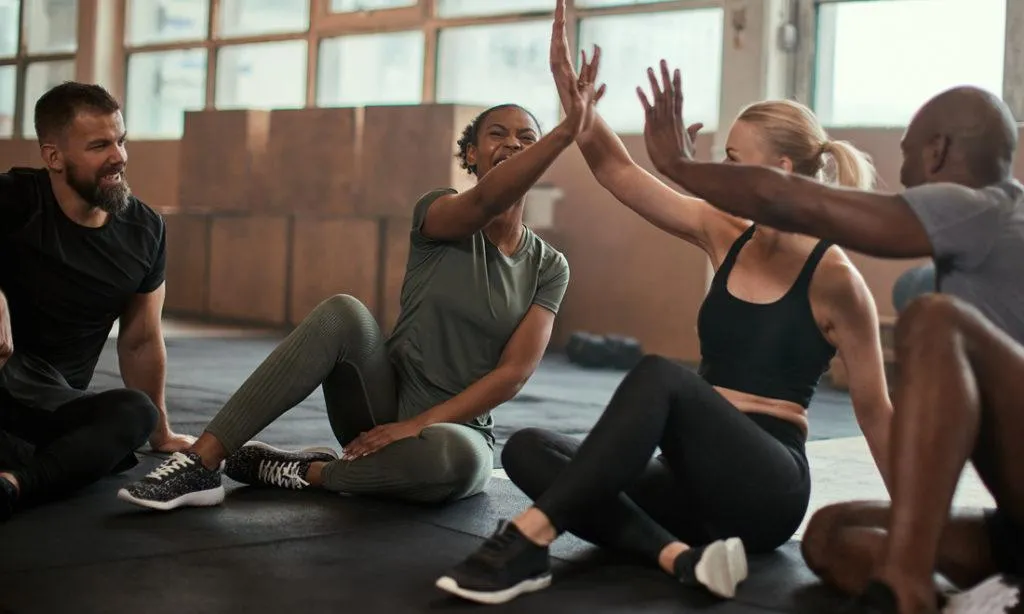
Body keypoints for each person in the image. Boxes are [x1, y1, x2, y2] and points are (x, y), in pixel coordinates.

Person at [434, 2, 894, 605]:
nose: (716, 172)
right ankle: (680, 558)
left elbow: (877, 412)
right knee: (530, 450)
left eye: (732, 160)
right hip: (689, 483)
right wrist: (573, 98)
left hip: (766, 489)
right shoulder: (725, 230)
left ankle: (526, 541)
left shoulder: (835, 278)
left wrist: (916, 534)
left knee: (661, 378)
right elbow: (615, 172)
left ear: (780, 169)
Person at [115, 57, 605, 511]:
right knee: (343, 312)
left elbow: (513, 374)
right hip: (378, 402)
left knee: (458, 465)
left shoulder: (549, 266)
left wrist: (415, 427)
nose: (514, 146)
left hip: (453, 431)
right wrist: (563, 132)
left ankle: (305, 472)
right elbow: (484, 205)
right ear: (471, 155)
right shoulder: (440, 212)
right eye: (498, 135)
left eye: (528, 138)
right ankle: (201, 462)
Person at [635, 55, 1024, 614]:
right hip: (1012, 522)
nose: (905, 163)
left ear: (938, 150)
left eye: (910, 146)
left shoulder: (979, 204)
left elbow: (796, 201)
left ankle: (907, 585)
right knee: (829, 537)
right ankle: (976, 601)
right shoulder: (982, 228)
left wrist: (680, 164)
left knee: (933, 319)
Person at [0, 82, 193, 523]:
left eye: (120, 141)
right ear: (54, 157)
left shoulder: (145, 231)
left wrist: (160, 433)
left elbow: (141, 340)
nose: (119, 157)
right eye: (99, 145)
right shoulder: (14, 198)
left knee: (134, 413)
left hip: (51, 409)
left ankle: (13, 486)